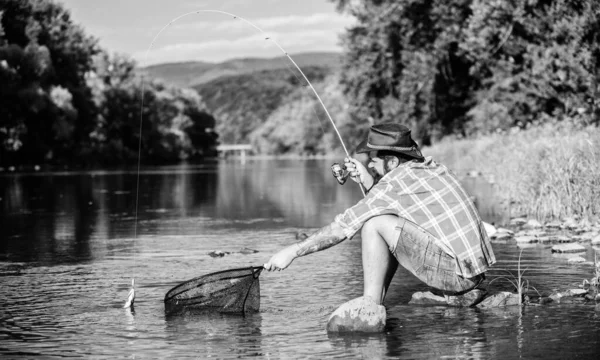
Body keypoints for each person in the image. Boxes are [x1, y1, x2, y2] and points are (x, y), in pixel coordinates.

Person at [264, 122, 496, 328]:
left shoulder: (393, 184)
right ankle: (375, 305)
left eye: (373, 161)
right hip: (471, 272)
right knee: (384, 220)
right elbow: (397, 204)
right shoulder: (428, 167)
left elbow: (342, 228)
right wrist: (368, 180)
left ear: (392, 161)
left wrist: (292, 252)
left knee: (373, 225)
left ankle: (370, 306)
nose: (371, 165)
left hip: (457, 277)